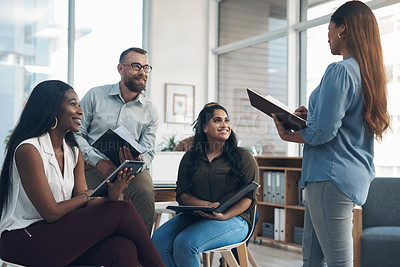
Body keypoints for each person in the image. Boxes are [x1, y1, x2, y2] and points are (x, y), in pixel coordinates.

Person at [271, 2, 390, 266]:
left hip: (329, 178)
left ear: (342, 29)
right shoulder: (367, 75)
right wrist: (309, 116)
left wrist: (288, 134)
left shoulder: (340, 71)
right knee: (312, 260)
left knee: (338, 262)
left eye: (329, 29)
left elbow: (323, 133)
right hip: (344, 176)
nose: (327, 36)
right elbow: (342, 124)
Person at [0, 80, 165, 267]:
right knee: (123, 209)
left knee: (123, 248)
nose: (81, 111)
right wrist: (86, 197)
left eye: (79, 105)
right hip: (23, 239)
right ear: (52, 109)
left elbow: (82, 202)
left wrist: (111, 196)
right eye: (73, 104)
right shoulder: (29, 149)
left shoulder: (73, 152)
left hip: (56, 234)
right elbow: (51, 213)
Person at [152, 104, 259, 267]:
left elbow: (249, 198)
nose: (224, 125)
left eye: (227, 120)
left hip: (235, 219)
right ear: (204, 127)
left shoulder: (243, 156)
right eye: (217, 120)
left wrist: (225, 215)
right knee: (158, 240)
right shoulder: (190, 157)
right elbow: (182, 194)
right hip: (195, 215)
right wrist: (206, 205)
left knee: (186, 243)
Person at [75, 47, 159, 234]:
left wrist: (139, 162)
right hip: (89, 163)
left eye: (146, 68)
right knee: (80, 197)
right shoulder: (95, 95)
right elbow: (75, 134)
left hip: (128, 168)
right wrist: (98, 161)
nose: (142, 72)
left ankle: (139, 251)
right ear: (120, 69)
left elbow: (149, 151)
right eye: (136, 66)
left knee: (145, 191)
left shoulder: (150, 110)